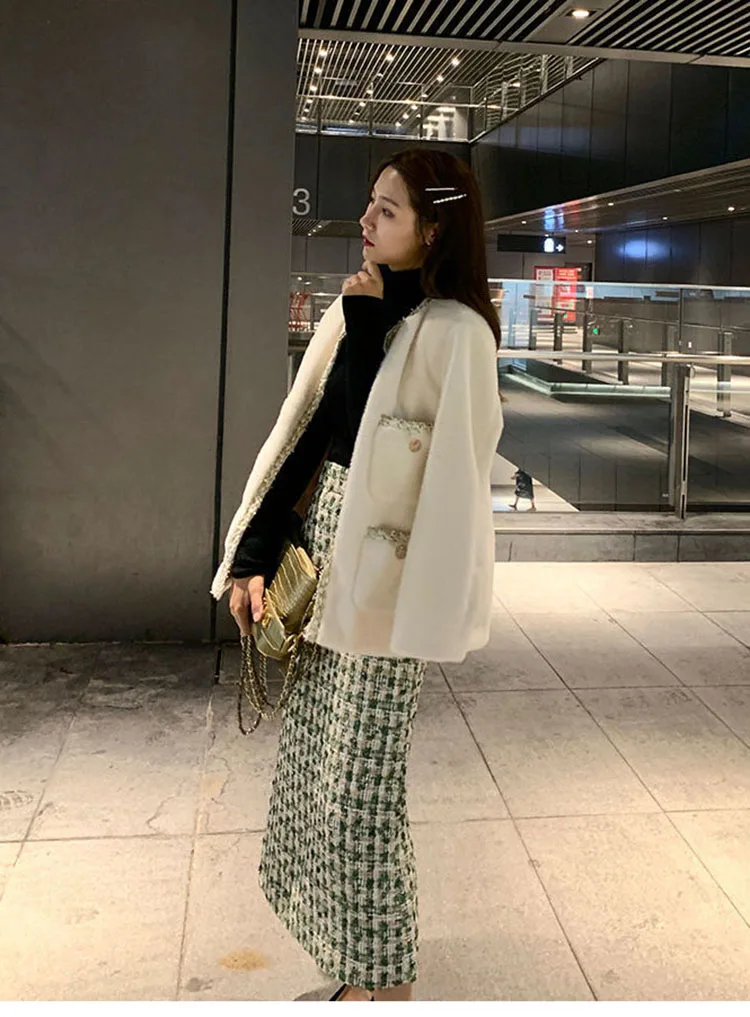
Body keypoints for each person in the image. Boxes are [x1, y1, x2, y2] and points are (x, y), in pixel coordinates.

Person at [210, 148, 504, 1002]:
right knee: (314, 776)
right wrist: (253, 554)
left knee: (359, 797)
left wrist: (372, 331)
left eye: (387, 210)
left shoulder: (460, 334)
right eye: (370, 204)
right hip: (329, 559)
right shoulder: (358, 309)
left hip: (394, 588)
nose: (366, 221)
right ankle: (356, 970)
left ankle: (387, 985)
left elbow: (448, 480)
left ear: (434, 229)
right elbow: (309, 438)